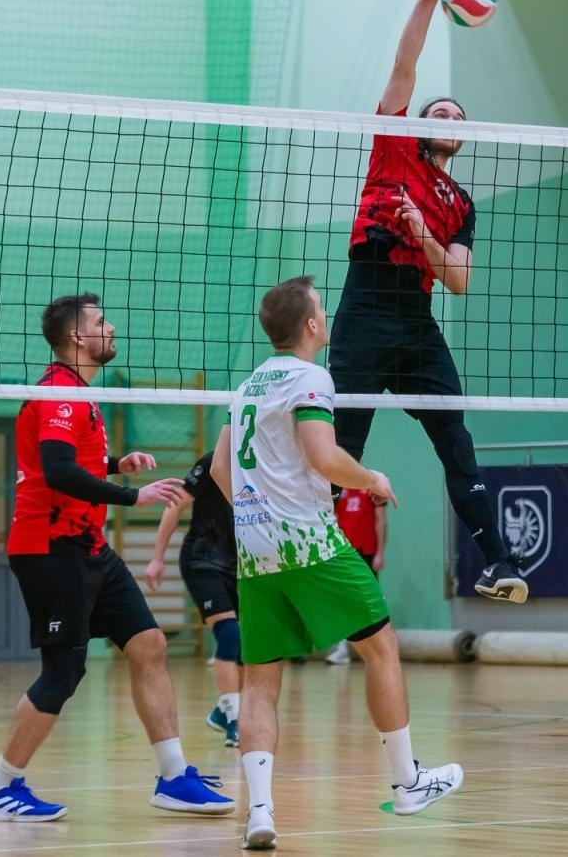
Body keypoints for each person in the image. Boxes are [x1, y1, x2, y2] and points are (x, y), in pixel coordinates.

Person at [214, 275, 462, 849]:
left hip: (256, 549)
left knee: (261, 679)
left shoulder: (247, 386)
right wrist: (372, 477)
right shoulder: (310, 377)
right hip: (309, 542)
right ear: (309, 326)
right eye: (321, 309)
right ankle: (406, 784)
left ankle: (260, 812)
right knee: (380, 646)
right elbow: (324, 457)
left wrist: (258, 513)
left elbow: (223, 470)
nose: (326, 317)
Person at [0, 293, 234, 822]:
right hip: (50, 548)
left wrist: (117, 463)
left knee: (148, 644)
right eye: (100, 322)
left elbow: (74, 461)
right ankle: (1, 789)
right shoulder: (60, 395)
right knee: (64, 672)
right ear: (77, 337)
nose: (110, 327)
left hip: (87, 545)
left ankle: (172, 778)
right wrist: (132, 494)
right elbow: (56, 470)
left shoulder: (75, 395)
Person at [328, 0, 525, 604]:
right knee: (343, 439)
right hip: (365, 304)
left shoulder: (463, 203)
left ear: (462, 137)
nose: (442, 115)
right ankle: (303, 552)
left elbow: (458, 281)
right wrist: (425, 0)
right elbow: (404, 67)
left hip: (416, 321)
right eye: (435, 110)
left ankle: (498, 562)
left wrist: (424, 237)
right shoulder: (394, 149)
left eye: (453, 114)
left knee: (454, 436)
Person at [144, 451, 242, 746]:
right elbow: (176, 503)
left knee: (247, 646)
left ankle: (222, 711)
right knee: (229, 636)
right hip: (202, 559)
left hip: (239, 564)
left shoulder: (265, 464)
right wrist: (157, 557)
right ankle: (236, 720)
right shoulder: (215, 461)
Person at [325, 485, 389, 665]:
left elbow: (380, 520)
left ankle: (378, 648)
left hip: (367, 552)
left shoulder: (370, 487)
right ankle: (342, 649)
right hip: (345, 553)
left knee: (369, 601)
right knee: (342, 600)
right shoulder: (339, 489)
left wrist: (380, 553)